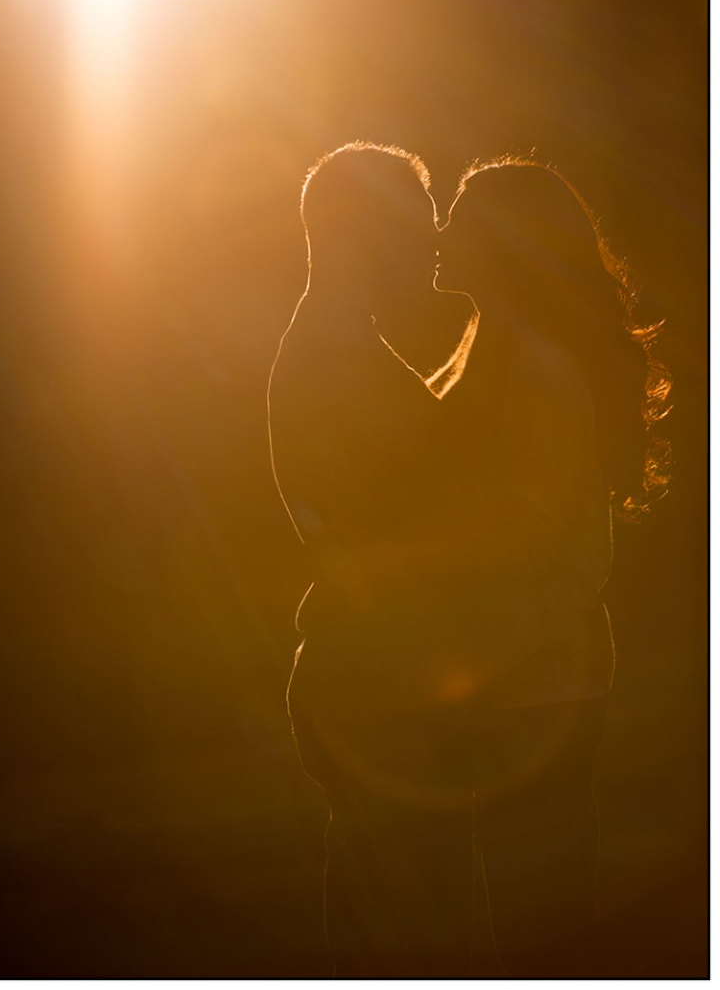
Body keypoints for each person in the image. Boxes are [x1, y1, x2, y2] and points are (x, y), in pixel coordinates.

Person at [436, 157, 671, 977]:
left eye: (460, 214)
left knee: (542, 931)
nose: (440, 231)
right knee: (521, 918)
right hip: (522, 670)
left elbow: (532, 537)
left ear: (501, 242)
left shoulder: (535, 369)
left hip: (539, 677)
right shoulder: (490, 344)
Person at [268, 142, 475, 979]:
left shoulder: (339, 343)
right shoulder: (336, 357)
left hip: (365, 678)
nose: (433, 246)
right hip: (377, 685)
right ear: (367, 233)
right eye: (418, 228)